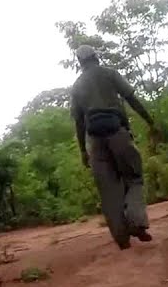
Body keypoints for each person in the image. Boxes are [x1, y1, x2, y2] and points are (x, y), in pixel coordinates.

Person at [68, 45, 159, 250]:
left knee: (108, 190)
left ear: (80, 63)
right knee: (134, 177)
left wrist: (83, 151)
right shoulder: (109, 74)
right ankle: (137, 223)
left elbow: (79, 122)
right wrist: (150, 121)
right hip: (117, 132)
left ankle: (121, 239)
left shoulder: (77, 85)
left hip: (95, 141)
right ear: (96, 57)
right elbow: (131, 99)